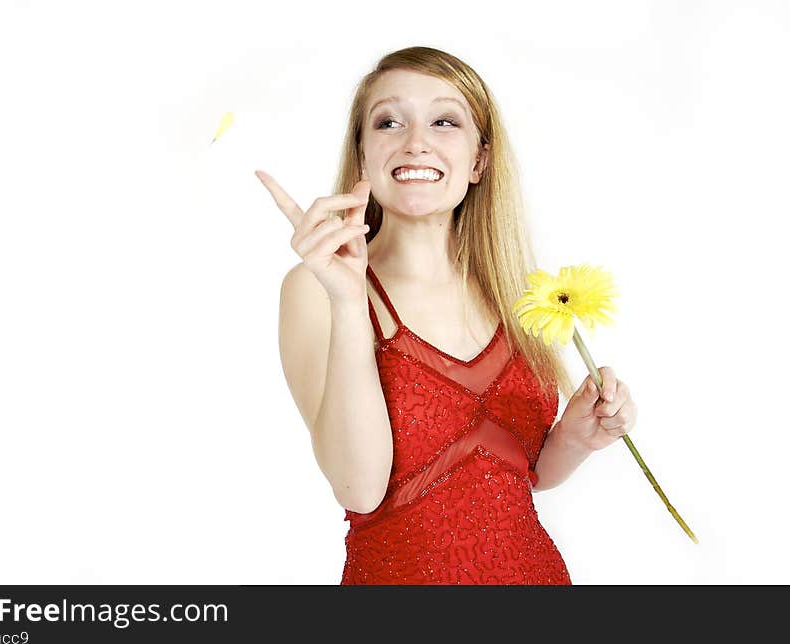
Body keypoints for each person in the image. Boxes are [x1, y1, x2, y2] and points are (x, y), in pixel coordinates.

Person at [256, 46, 637, 585]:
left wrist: (577, 436)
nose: (416, 142)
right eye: (389, 121)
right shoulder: (319, 290)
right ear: (363, 157)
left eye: (444, 121)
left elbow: (516, 474)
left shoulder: (520, 295)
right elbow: (359, 488)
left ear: (480, 160)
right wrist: (347, 301)